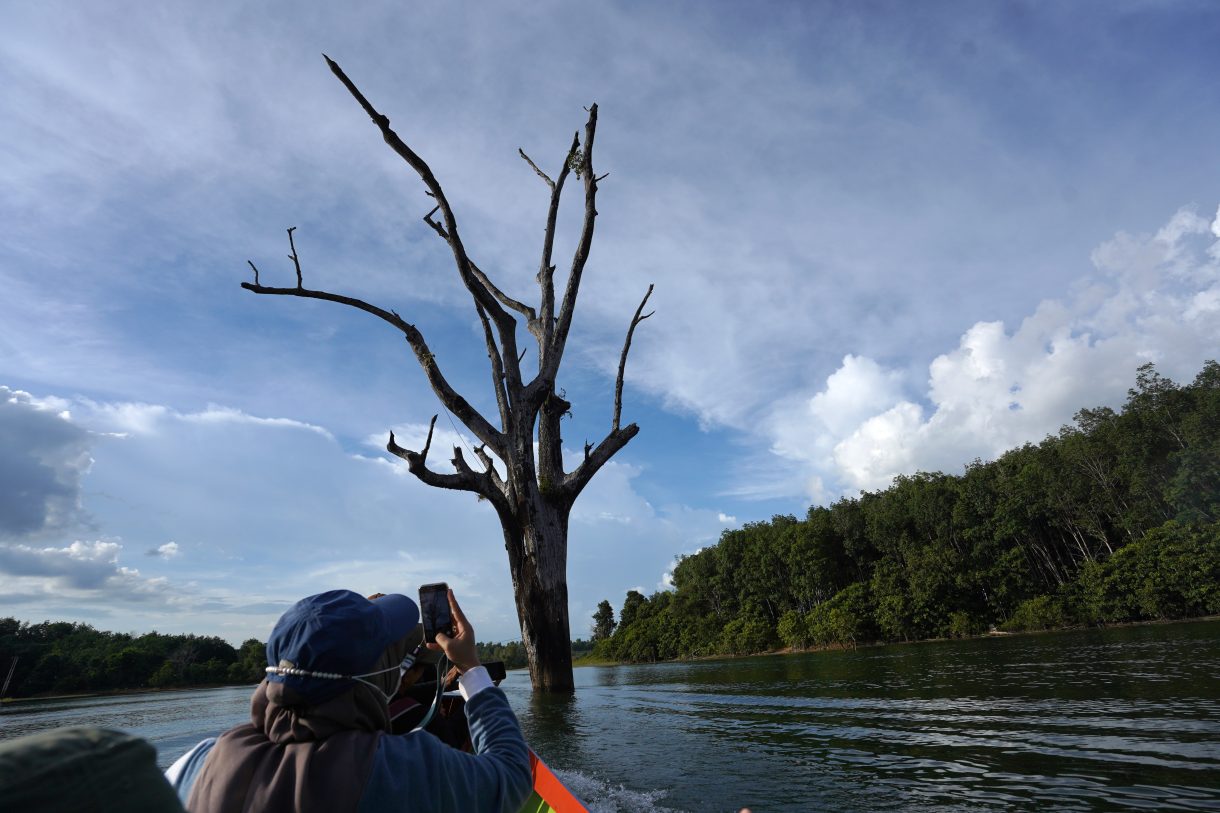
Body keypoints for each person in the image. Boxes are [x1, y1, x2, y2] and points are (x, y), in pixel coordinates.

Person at [166, 588, 532, 812]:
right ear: (369, 681)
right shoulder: (402, 769)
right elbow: (512, 776)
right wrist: (470, 667)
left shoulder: (193, 763)